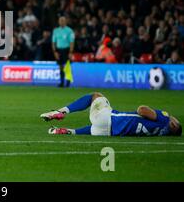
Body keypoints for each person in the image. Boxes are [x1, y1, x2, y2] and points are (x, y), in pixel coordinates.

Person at [40, 92, 182, 136]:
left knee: (95, 96)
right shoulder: (162, 132)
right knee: (93, 128)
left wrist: (165, 115)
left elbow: (141, 109)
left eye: (176, 120)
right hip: (110, 132)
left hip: (110, 119)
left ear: (174, 124)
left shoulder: (165, 119)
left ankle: (60, 112)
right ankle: (68, 131)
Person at [52, 16, 74, 87]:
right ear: (58, 22)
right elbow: (53, 42)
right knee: (60, 66)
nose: (61, 22)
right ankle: (61, 82)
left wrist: (70, 52)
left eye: (63, 20)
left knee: (67, 66)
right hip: (59, 50)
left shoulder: (69, 31)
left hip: (66, 50)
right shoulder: (55, 31)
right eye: (60, 20)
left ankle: (68, 82)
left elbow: (72, 42)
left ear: (65, 21)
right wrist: (55, 52)